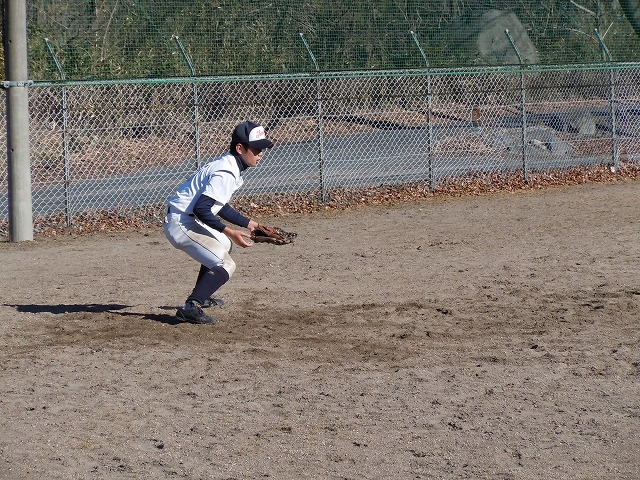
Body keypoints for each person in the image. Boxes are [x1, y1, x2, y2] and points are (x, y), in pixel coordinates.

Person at [163, 120, 273, 324]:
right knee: (226, 264)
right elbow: (202, 209)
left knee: (224, 245)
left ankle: (202, 295)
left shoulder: (230, 165)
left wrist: (250, 224)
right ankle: (190, 307)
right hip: (180, 223)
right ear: (240, 148)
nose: (260, 154)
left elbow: (218, 205)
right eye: (256, 149)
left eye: (262, 149)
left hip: (185, 218)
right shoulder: (227, 171)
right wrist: (230, 231)